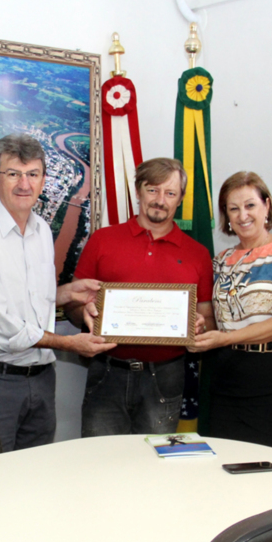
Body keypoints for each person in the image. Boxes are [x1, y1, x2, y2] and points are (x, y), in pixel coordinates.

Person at [0, 134, 114, 453]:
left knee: (35, 483)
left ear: (43, 181)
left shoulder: (40, 231)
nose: (24, 184)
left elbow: (30, 300)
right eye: (13, 174)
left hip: (40, 379)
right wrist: (67, 343)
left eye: (32, 174)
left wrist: (66, 293)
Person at [69, 157, 214, 436]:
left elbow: (207, 318)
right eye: (153, 190)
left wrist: (199, 326)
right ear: (138, 191)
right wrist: (83, 312)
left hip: (167, 376)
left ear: (180, 199)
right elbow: (75, 303)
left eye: (170, 193)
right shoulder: (103, 240)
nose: (160, 200)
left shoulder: (198, 254)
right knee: (100, 463)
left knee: (155, 466)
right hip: (107, 371)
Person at [187, 172, 272, 453]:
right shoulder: (220, 262)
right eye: (233, 208)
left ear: (266, 206)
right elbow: (218, 320)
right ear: (226, 217)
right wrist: (199, 327)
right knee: (224, 460)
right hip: (227, 373)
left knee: (269, 463)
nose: (243, 215)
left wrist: (223, 338)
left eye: (250, 205)